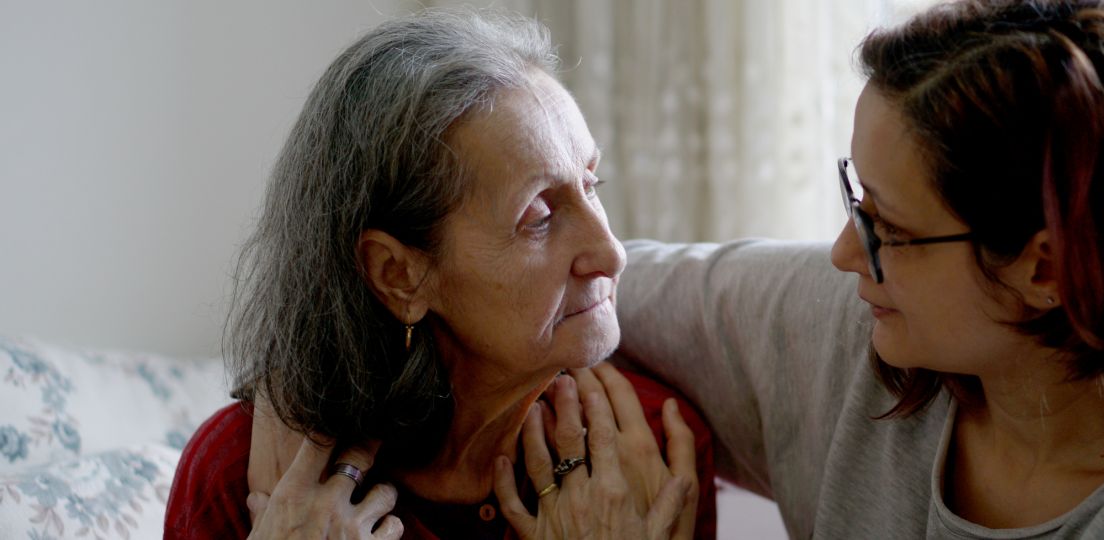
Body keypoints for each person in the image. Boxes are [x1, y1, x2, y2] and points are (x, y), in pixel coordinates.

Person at [608, 0, 1104, 538]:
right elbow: (587, 289)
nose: (844, 254)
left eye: (892, 231)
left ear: (1046, 269)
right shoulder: (851, 326)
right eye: (858, 202)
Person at [162, 8, 717, 540]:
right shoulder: (242, 479)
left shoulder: (650, 449)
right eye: (540, 215)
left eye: (591, 185)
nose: (612, 253)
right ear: (399, 275)